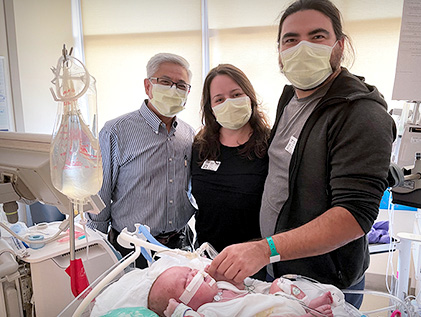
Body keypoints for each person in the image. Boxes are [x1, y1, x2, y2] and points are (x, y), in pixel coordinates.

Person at [207, 0, 397, 309]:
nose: (302, 47)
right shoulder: (290, 99)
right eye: (291, 39)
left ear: (340, 45)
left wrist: (265, 248)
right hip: (279, 270)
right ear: (280, 52)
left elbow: (353, 215)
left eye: (317, 36)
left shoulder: (361, 113)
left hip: (323, 282)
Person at [86, 53, 196, 268]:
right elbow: (100, 196)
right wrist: (96, 251)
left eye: (181, 85)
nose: (174, 90)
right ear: (148, 86)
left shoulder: (189, 134)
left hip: (178, 247)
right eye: (165, 82)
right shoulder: (116, 131)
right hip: (132, 249)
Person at [191, 64, 270, 253]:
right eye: (219, 99)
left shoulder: (271, 145)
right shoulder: (200, 147)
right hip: (206, 256)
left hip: (254, 260)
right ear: (210, 107)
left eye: (236, 95)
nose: (228, 102)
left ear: (249, 97)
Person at [148, 265, 336, 317]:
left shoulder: (221, 287)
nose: (194, 273)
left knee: (279, 285)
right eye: (187, 280)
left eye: (190, 270)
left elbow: (242, 285)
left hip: (274, 303)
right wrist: (178, 312)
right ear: (184, 303)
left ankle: (307, 307)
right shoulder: (207, 311)